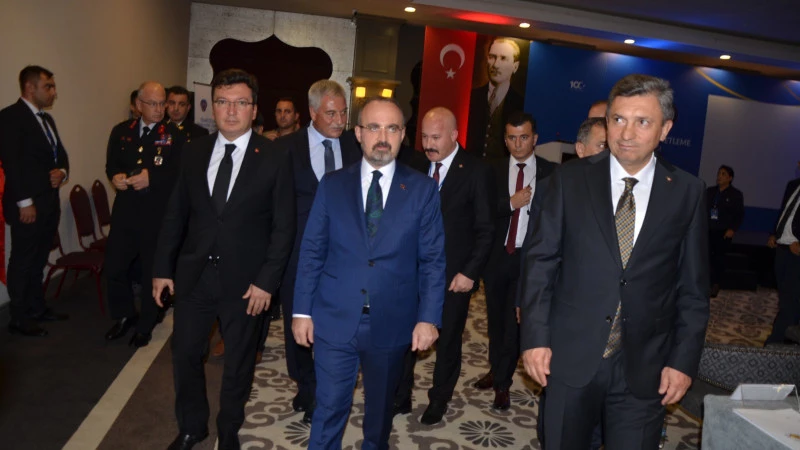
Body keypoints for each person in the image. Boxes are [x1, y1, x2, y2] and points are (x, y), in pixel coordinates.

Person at [520, 74, 709, 449]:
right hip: (569, 357)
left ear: (665, 129)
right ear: (606, 123)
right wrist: (535, 339)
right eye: (618, 119)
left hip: (646, 367)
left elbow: (693, 289)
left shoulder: (688, 192)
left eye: (643, 122)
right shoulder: (569, 180)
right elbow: (540, 264)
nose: (627, 133)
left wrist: (682, 361)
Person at [152, 68, 295, 450]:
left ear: (254, 109)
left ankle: (228, 427)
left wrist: (267, 280)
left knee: (239, 360)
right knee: (184, 352)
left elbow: (284, 226)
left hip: (247, 283)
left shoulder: (275, 157)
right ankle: (191, 426)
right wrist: (162, 268)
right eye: (223, 102)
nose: (231, 111)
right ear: (212, 106)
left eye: (240, 103)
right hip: (195, 275)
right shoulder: (194, 151)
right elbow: (175, 213)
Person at [292, 97, 445, 450]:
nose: (383, 137)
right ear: (358, 133)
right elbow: (312, 250)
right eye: (374, 127)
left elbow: (433, 260)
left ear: (403, 135)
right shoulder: (332, 184)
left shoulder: (422, 189)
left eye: (392, 128)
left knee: (379, 415)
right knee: (328, 408)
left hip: (392, 320)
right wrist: (301, 311)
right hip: (334, 315)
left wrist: (428, 318)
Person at [394, 107, 495, 425]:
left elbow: (486, 229)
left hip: (454, 276)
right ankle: (401, 395)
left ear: (454, 135)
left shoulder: (475, 171)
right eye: (424, 136)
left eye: (435, 137)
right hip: (411, 272)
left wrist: (470, 272)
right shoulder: (415, 166)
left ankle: (439, 399)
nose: (428, 144)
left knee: (447, 339)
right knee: (406, 335)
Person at [272, 80, 362, 423]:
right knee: (299, 320)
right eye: (331, 114)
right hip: (297, 252)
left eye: (343, 113)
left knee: (336, 324)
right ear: (312, 112)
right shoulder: (286, 148)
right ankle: (305, 385)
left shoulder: (355, 145)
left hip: (345, 254)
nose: (339, 120)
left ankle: (326, 387)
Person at [474, 111, 556, 410]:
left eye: (524, 137)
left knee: (514, 324)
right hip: (497, 257)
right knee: (495, 321)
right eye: (512, 138)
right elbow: (481, 212)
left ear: (535, 138)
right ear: (505, 140)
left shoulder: (551, 172)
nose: (518, 144)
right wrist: (511, 203)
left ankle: (503, 383)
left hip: (529, 260)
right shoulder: (491, 169)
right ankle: (497, 368)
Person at [104, 81, 185, 348]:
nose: (160, 109)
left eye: (163, 103)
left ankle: (146, 323)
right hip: (126, 212)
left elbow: (181, 174)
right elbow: (111, 165)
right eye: (153, 103)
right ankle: (124, 314)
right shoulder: (121, 131)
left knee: (153, 270)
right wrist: (115, 177)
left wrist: (153, 178)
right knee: (115, 266)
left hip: (156, 215)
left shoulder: (174, 135)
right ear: (139, 105)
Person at [0, 65, 70, 337]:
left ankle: (37, 307)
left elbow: (60, 155)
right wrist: (24, 202)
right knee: (23, 260)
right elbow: (12, 164)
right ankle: (18, 316)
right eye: (48, 87)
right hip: (27, 205)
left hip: (48, 202)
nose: (54, 92)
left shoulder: (46, 119)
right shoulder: (10, 117)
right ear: (30, 88)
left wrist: (61, 172)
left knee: (39, 257)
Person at [466, 38, 525, 161]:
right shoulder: (471, 97)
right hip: (472, 167)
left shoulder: (521, 103)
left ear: (515, 66)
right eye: (492, 57)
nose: (496, 65)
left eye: (503, 58)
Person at [765, 167, 800, 345]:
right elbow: (784, 212)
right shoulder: (793, 185)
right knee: (785, 296)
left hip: (796, 251)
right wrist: (775, 234)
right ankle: (789, 338)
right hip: (782, 248)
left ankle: (774, 342)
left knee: (790, 300)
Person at [706, 165, 744, 297]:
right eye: (719, 173)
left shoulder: (736, 194)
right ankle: (705, 282)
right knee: (706, 258)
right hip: (708, 229)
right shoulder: (710, 191)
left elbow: (739, 215)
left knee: (719, 259)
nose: (719, 176)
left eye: (723, 174)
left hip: (723, 232)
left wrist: (732, 229)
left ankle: (716, 283)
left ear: (730, 178)